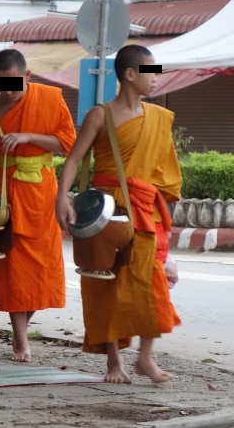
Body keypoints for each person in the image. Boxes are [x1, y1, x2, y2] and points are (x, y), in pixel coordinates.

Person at [55, 45, 182, 384]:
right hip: (107, 209)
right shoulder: (101, 115)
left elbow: (161, 172)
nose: (156, 80)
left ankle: (144, 357)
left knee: (152, 282)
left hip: (143, 209)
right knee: (105, 285)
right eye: (151, 72)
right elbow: (73, 160)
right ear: (130, 74)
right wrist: (61, 198)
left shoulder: (156, 118)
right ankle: (114, 362)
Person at [0, 49, 77, 363]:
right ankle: (21, 340)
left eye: (13, 83)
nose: (6, 90)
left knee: (40, 270)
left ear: (28, 76)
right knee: (14, 270)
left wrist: (28, 137)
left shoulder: (48, 98)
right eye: (0, 84)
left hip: (44, 194)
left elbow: (68, 142)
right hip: (6, 196)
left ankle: (23, 329)